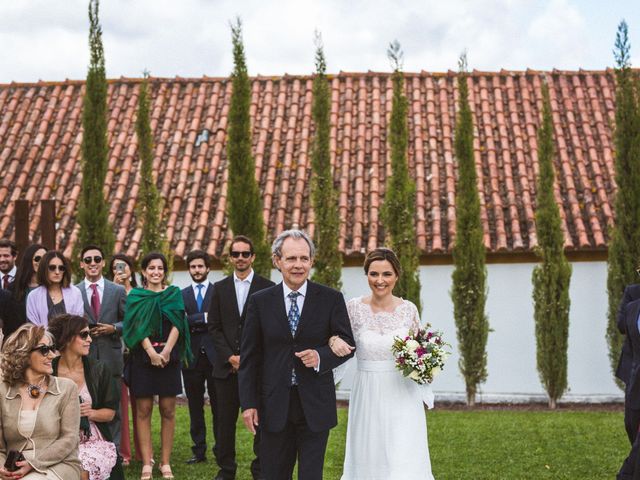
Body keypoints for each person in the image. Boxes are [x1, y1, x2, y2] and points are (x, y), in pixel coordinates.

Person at [238, 229, 355, 480]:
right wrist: (248, 404)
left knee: (311, 476)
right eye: (291, 259)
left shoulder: (331, 299)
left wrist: (321, 356)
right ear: (277, 260)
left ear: (312, 261)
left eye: (304, 258)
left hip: (315, 403)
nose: (298, 265)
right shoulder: (260, 301)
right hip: (272, 404)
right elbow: (249, 357)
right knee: (273, 474)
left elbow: (347, 343)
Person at [330, 248, 434, 480]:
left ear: (397, 275)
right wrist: (333, 339)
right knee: (369, 450)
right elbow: (338, 337)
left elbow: (419, 349)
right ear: (366, 275)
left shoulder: (408, 310)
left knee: (403, 453)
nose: (380, 280)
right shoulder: (353, 308)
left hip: (402, 391)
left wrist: (426, 368)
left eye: (386, 274)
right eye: (374, 274)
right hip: (367, 391)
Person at [209, 236, 274, 480]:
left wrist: (247, 359)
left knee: (261, 423)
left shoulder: (268, 287)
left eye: (245, 254)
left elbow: (270, 330)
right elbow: (213, 327)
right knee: (223, 424)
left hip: (257, 371)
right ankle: (226, 470)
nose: (240, 258)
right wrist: (230, 357)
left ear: (253, 257)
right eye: (235, 254)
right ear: (230, 258)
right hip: (226, 371)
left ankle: (260, 469)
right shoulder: (219, 288)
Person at [122, 252, 192, 480]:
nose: (156, 272)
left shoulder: (173, 294)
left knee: (168, 410)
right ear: (143, 271)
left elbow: (178, 323)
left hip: (168, 358)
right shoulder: (136, 296)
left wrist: (166, 351)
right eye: (151, 268)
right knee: (143, 411)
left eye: (160, 268)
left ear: (164, 271)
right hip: (144, 358)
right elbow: (135, 326)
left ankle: (165, 462)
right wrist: (151, 352)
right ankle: (146, 463)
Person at [0, 323, 83, 479]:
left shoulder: (66, 388)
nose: (52, 355)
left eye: (52, 348)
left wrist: (33, 464)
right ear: (23, 355)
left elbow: (69, 439)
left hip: (57, 465)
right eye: (44, 350)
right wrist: (2, 468)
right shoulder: (3, 391)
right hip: (14, 467)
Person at [49, 314, 124, 480]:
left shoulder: (99, 369)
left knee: (82, 469)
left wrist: (90, 412)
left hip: (91, 440)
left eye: (89, 334)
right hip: (56, 439)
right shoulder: (49, 371)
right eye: (84, 335)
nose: (89, 339)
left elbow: (110, 413)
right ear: (67, 338)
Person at [76, 245, 127, 452]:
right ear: (82, 264)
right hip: (83, 358)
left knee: (113, 407)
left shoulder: (117, 290)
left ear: (104, 262)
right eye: (88, 260)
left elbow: (129, 322)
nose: (93, 263)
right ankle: (88, 449)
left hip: (111, 357)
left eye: (97, 259)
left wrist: (113, 328)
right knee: (88, 405)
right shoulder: (74, 291)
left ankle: (113, 453)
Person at [181, 250, 217, 465]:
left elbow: (218, 321)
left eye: (200, 266)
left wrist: (195, 319)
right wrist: (204, 317)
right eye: (193, 267)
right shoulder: (181, 294)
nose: (197, 270)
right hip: (191, 358)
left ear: (207, 268)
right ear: (189, 269)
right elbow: (182, 321)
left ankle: (221, 449)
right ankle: (199, 450)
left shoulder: (219, 292)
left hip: (215, 358)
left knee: (219, 406)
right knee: (195, 406)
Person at [108, 253, 140, 466]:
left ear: (131, 269)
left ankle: (141, 451)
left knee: (141, 405)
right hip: (117, 353)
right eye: (116, 267)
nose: (121, 270)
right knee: (120, 405)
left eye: (124, 266)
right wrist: (114, 286)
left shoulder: (139, 292)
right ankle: (123, 452)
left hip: (138, 352)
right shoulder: (109, 292)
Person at [26, 250, 84, 326]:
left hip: (71, 337)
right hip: (41, 337)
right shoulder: (33, 296)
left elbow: (78, 323)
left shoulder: (75, 293)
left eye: (61, 268)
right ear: (44, 269)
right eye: (52, 267)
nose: (57, 272)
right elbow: (33, 327)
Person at [6, 244, 47, 337]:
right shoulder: (13, 288)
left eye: (45, 259)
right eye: (37, 258)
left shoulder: (52, 287)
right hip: (19, 341)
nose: (41, 262)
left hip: (46, 340)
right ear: (29, 261)